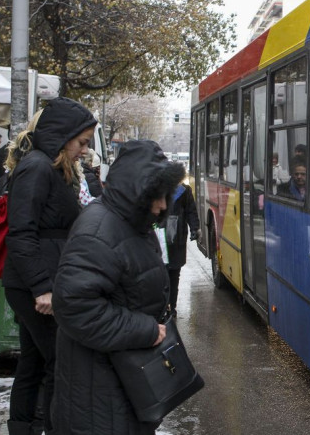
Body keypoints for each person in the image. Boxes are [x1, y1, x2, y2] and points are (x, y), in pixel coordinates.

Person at [52, 140, 186, 435]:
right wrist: (146, 330)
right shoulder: (99, 231)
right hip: (100, 399)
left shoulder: (131, 223)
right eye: (158, 196)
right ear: (137, 191)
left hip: (120, 386)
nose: (164, 206)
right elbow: (74, 306)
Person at [2, 97, 97, 435]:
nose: (84, 150)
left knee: (33, 361)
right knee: (59, 361)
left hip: (35, 281)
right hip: (35, 285)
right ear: (62, 135)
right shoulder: (38, 167)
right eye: (81, 142)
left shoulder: (48, 167)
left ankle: (25, 427)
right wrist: (42, 287)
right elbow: (21, 233)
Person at [165, 182, 200, 315]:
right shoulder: (156, 188)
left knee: (174, 274)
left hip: (177, 240)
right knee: (164, 275)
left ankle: (171, 306)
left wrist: (195, 228)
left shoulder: (184, 191)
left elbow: (191, 211)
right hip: (162, 239)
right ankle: (166, 306)